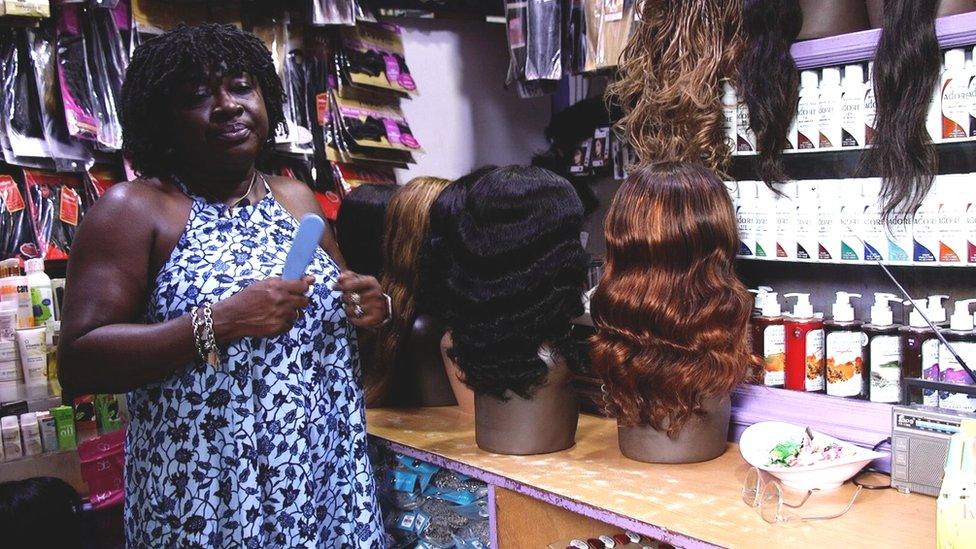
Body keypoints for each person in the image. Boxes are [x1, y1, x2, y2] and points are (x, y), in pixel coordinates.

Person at [58, 24, 388, 547]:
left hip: (320, 482)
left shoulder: (297, 199)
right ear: (161, 120)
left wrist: (368, 307)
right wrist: (220, 322)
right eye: (196, 97)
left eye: (240, 86)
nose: (227, 105)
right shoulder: (135, 209)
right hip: (206, 494)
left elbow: (330, 320)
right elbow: (79, 361)